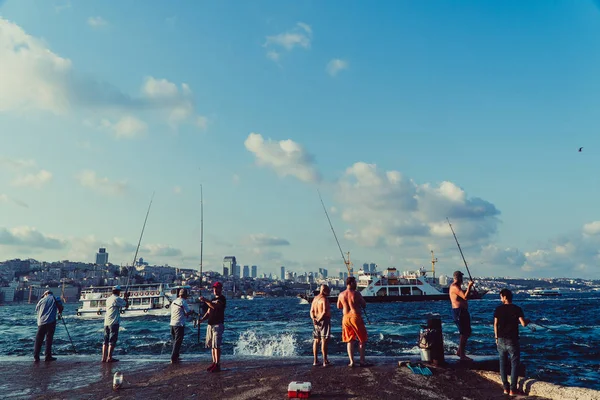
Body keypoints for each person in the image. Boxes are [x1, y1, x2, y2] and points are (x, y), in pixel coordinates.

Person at [494, 289, 530, 396]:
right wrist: (528, 320)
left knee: (502, 363)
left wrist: (496, 338)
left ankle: (505, 387)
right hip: (512, 340)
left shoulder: (498, 309)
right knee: (514, 364)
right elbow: (523, 324)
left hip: (500, 339)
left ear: (505, 297)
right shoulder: (517, 309)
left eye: (501, 297)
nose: (500, 299)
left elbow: (495, 324)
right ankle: (513, 389)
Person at [337, 276, 368, 367]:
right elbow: (364, 304)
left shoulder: (341, 294)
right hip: (355, 317)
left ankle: (351, 362)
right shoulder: (357, 294)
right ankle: (362, 361)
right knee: (362, 339)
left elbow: (339, 306)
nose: (356, 284)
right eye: (355, 282)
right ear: (350, 283)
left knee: (349, 340)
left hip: (345, 318)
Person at [199, 281, 226, 372]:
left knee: (216, 345)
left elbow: (215, 306)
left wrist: (205, 300)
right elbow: (209, 311)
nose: (214, 290)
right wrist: (202, 319)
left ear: (220, 289)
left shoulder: (222, 299)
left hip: (217, 324)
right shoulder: (213, 299)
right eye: (214, 288)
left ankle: (217, 364)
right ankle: (214, 362)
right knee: (212, 345)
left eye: (216, 288)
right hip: (210, 324)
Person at [449, 270, 474, 361]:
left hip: (462, 311)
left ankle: (460, 351)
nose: (462, 279)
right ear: (458, 278)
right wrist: (469, 286)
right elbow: (465, 297)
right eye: (461, 277)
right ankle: (462, 355)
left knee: (467, 332)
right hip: (459, 312)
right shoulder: (455, 287)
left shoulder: (457, 287)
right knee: (464, 333)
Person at [34, 290, 64, 362]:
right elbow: (61, 307)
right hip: (50, 321)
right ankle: (47, 356)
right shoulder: (55, 298)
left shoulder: (41, 300)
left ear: (46, 294)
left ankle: (36, 356)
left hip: (40, 322)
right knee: (48, 339)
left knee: (38, 340)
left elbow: (37, 310)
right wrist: (59, 313)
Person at [101, 285, 129, 363]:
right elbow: (126, 305)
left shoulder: (108, 299)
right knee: (112, 340)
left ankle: (103, 357)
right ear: (118, 291)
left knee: (105, 341)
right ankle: (109, 357)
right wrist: (126, 297)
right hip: (114, 322)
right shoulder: (117, 299)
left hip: (106, 322)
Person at [310, 284, 332, 367]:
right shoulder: (324, 299)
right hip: (324, 320)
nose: (329, 293)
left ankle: (315, 360)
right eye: (328, 291)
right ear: (325, 290)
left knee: (316, 340)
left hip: (315, 321)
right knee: (324, 340)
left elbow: (311, 311)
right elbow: (324, 312)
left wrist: (314, 319)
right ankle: (325, 361)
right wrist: (319, 320)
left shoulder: (315, 299)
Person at [170, 288, 192, 364]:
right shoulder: (183, 302)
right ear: (185, 295)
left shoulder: (174, 302)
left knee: (174, 341)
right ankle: (173, 357)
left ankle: (176, 355)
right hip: (179, 324)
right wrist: (191, 312)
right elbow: (187, 312)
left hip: (172, 323)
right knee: (178, 341)